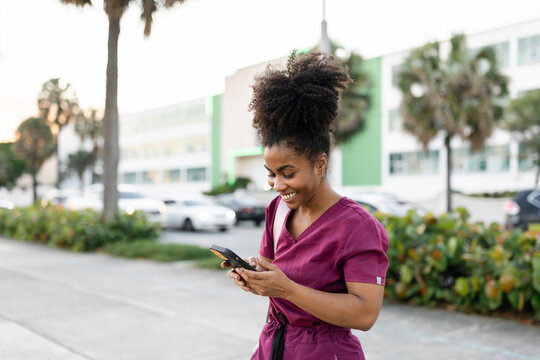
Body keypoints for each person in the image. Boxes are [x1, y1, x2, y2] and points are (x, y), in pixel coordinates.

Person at [222, 50, 390, 360]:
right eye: (271, 174)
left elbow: (365, 314)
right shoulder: (277, 211)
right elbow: (274, 277)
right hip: (272, 347)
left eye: (288, 173)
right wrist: (255, 278)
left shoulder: (358, 227)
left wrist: (286, 289)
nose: (278, 185)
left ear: (320, 163)